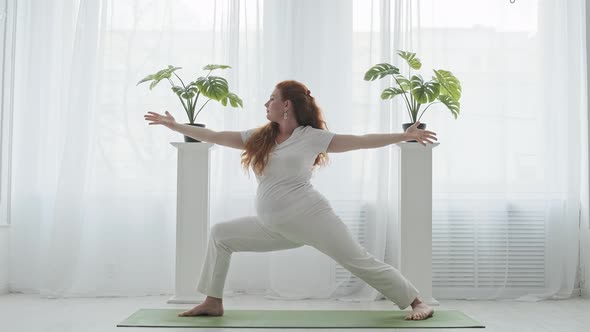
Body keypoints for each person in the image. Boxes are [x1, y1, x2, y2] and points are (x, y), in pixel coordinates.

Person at [144, 80, 437, 321]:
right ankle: (212, 301)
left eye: (271, 98)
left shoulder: (310, 137)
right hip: (272, 225)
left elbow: (360, 140)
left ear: (286, 105)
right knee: (221, 234)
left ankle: (417, 301)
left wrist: (404, 134)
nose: (266, 104)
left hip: (312, 218)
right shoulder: (260, 137)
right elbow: (215, 135)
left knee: (358, 260)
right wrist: (176, 127)